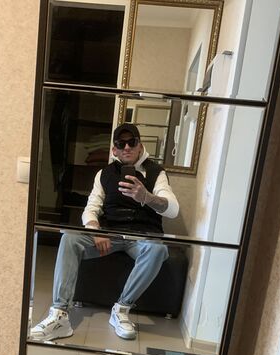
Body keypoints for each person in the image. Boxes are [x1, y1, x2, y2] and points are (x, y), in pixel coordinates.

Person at [30, 123, 179, 341]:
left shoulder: (157, 172)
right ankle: (60, 315)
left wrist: (146, 197)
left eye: (132, 142)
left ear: (140, 145)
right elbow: (91, 208)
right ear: (114, 150)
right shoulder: (104, 174)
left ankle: (121, 309)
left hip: (143, 237)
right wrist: (96, 231)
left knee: (158, 249)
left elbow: (173, 209)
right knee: (69, 237)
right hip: (111, 234)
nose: (127, 147)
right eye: (121, 143)